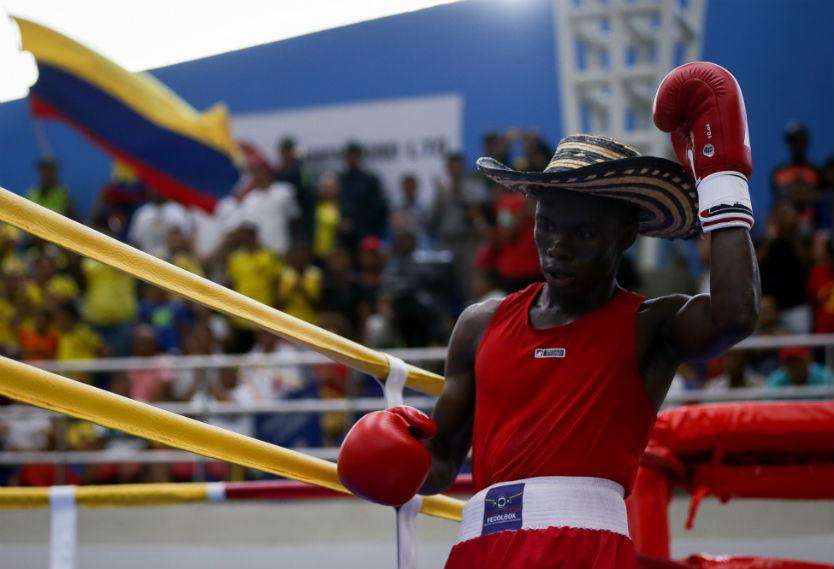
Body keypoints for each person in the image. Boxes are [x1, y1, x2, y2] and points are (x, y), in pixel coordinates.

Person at [337, 63, 760, 568]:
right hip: (480, 548)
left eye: (582, 233)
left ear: (624, 236)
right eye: (549, 226)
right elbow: (444, 458)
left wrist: (723, 177)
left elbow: (735, 313)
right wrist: (393, 461)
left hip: (584, 548)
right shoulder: (480, 324)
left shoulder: (649, 325)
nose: (558, 245)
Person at [338, 142, 389, 250]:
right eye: (349, 156)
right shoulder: (339, 180)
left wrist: (355, 224)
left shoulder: (370, 180)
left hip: (365, 233)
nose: (352, 159)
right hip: (342, 235)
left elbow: (378, 208)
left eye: (354, 156)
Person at [274, 137, 315, 244]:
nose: (286, 153)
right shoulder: (278, 171)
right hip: (284, 216)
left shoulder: (301, 169)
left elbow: (307, 193)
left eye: (289, 150)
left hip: (302, 215)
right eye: (284, 150)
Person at [767, 346, 833, 388]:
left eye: (799, 361)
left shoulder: (824, 376)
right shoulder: (776, 381)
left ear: (809, 360)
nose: (795, 366)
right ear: (783, 365)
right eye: (790, 362)